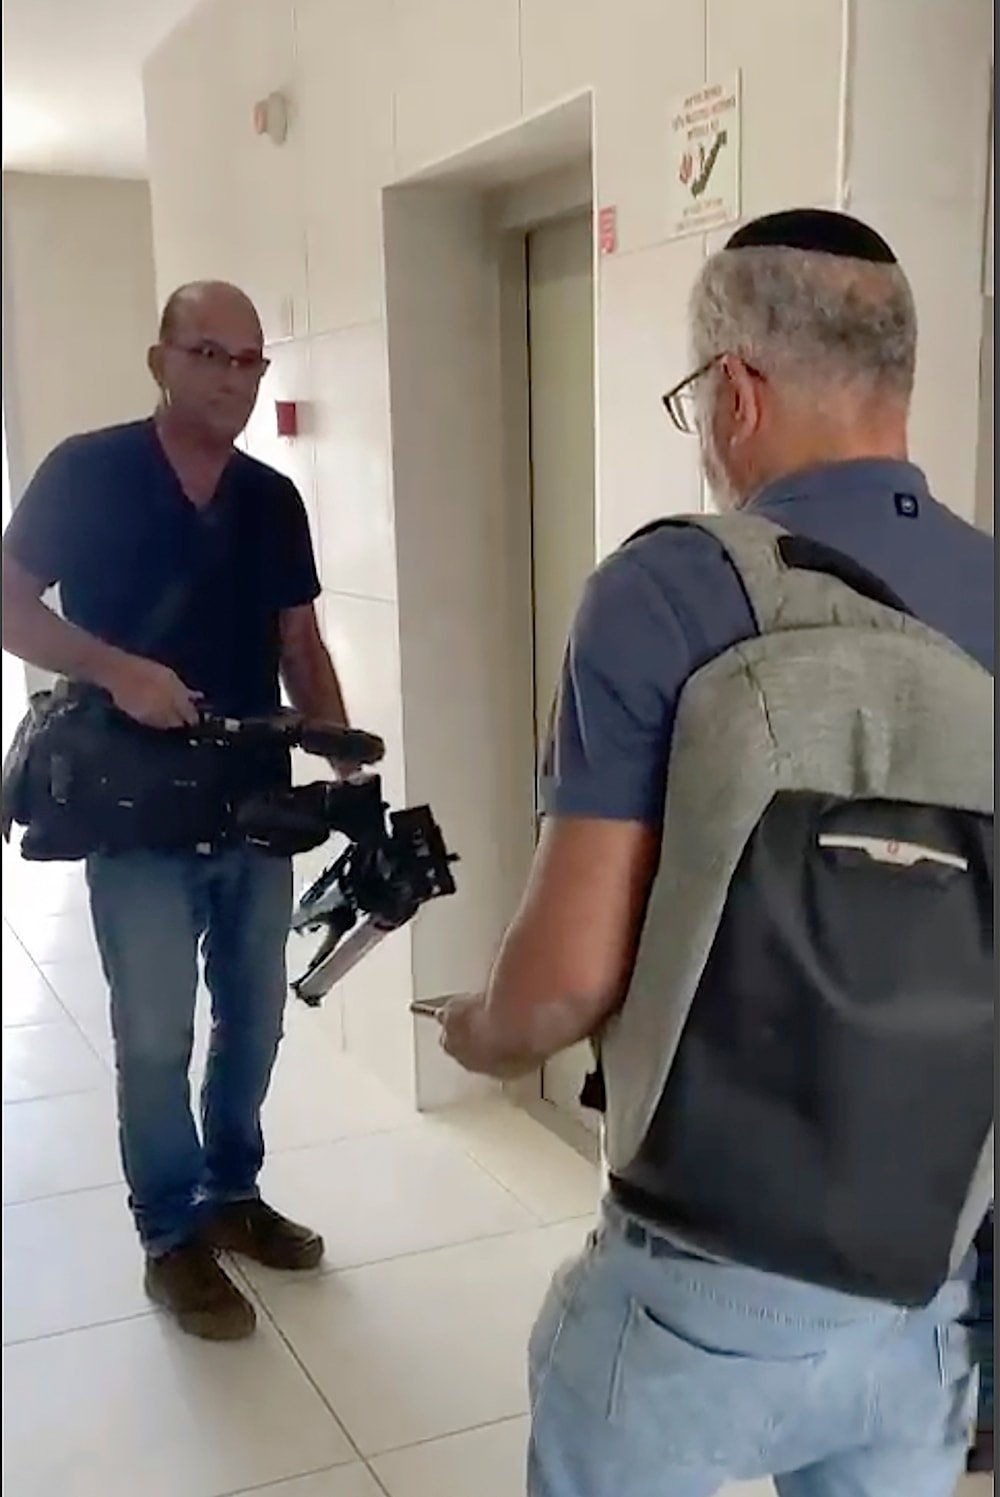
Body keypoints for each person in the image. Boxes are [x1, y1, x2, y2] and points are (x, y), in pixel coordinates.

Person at [440, 210, 993, 1496]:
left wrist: (480, 1030)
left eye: (695, 397)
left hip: (697, 1279)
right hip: (922, 1284)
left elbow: (567, 980)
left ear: (735, 392)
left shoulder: (666, 590)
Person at [1, 281, 351, 1342]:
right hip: (132, 802)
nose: (233, 379)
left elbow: (301, 646)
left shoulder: (271, 498)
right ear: (161, 360)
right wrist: (116, 669)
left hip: (252, 798)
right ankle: (169, 1234)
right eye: (210, 354)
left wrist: (342, 767)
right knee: (154, 1035)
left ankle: (231, 1194)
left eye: (251, 361)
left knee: (254, 1018)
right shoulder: (87, 470)